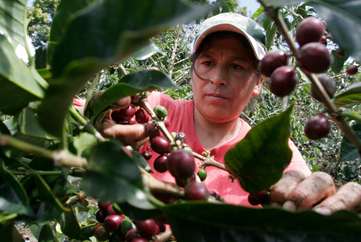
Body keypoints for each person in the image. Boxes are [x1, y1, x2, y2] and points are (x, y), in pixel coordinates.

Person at [99, 13, 361, 213]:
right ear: (192, 70)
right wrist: (100, 109)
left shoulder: (273, 153)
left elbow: (304, 195)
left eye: (236, 66)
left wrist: (324, 207)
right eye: (207, 63)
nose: (217, 78)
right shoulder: (154, 112)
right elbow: (76, 111)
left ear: (258, 83)